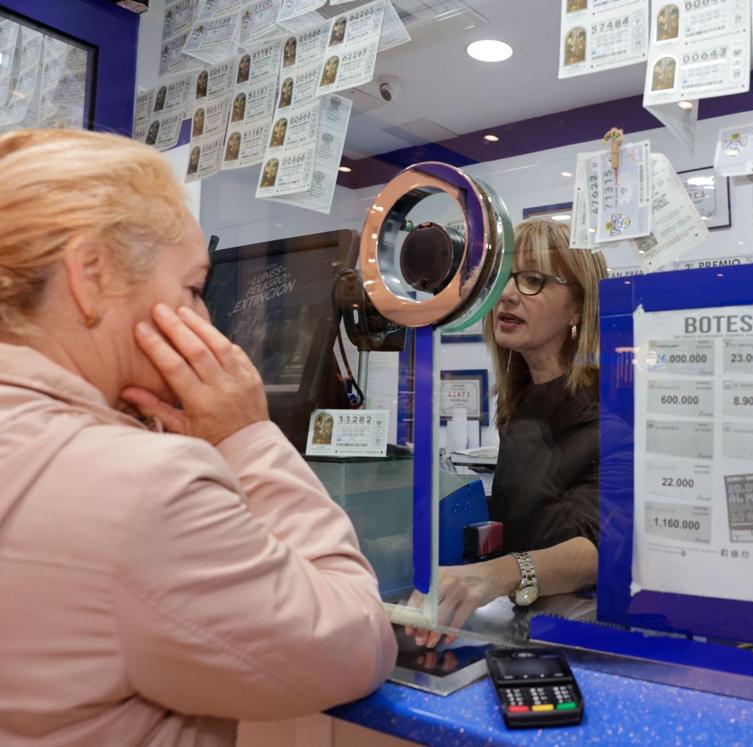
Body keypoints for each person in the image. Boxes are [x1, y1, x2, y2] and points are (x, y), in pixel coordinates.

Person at [0, 129, 397, 746]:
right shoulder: (143, 489)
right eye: (192, 288)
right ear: (91, 276)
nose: (208, 319)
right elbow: (356, 641)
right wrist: (249, 437)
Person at [406, 220, 607, 647]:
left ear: (578, 307)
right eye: (503, 280)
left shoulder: (608, 406)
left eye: (533, 280)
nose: (508, 295)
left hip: (589, 628)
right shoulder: (518, 402)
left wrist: (495, 575)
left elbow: (599, 548)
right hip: (529, 619)